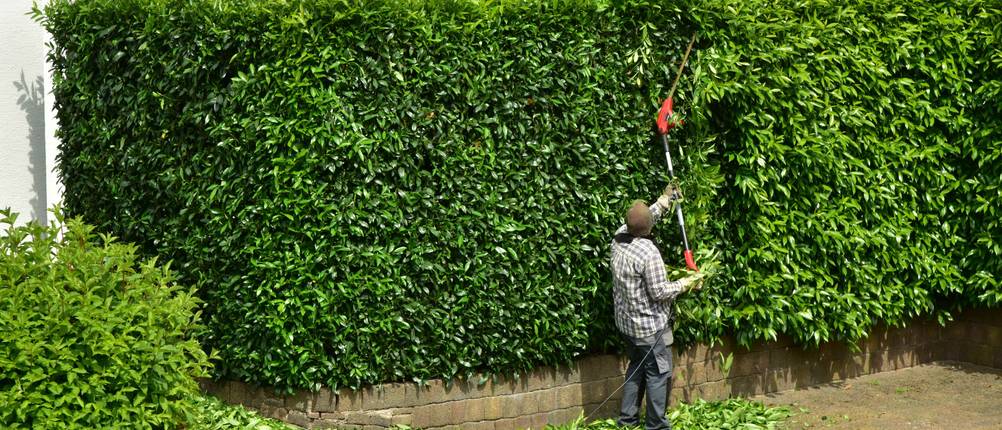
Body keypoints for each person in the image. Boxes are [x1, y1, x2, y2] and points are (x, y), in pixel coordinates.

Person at [611, 185, 702, 430]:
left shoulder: (619, 237)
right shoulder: (649, 252)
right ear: (648, 229)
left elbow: (645, 218)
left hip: (628, 327)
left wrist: (663, 201)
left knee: (636, 369)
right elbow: (660, 292)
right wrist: (687, 282)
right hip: (649, 329)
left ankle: (627, 421)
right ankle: (656, 426)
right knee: (658, 374)